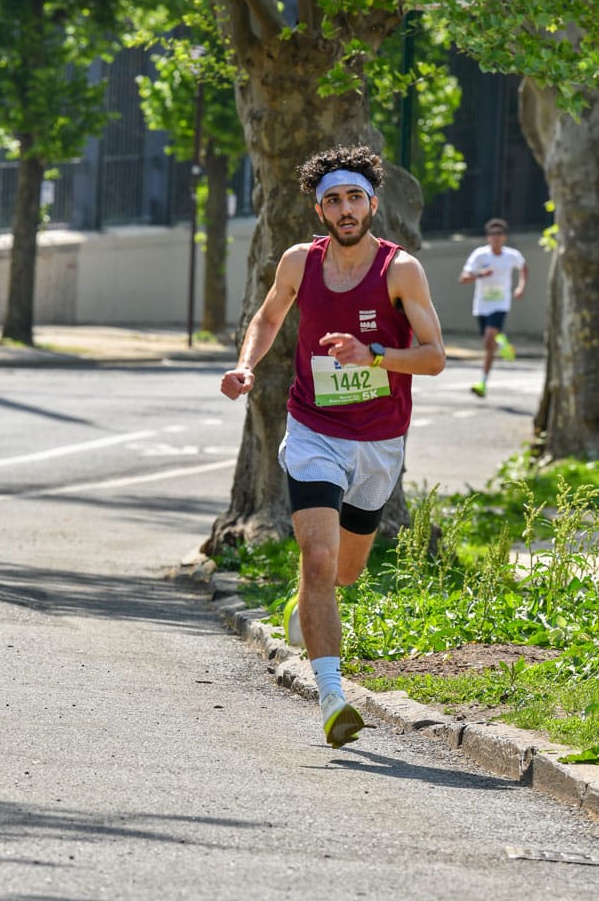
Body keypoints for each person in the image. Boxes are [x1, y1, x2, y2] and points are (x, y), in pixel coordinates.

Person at [220, 145, 445, 749]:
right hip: (315, 427)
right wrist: (245, 366)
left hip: (379, 440)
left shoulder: (401, 270)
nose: (345, 210)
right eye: (332, 201)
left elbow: (435, 358)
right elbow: (268, 319)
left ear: (373, 202)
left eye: (354, 198)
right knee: (317, 558)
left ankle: (306, 604)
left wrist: (374, 355)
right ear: (319, 210)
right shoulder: (299, 262)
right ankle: (332, 697)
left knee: (345, 570)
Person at [459, 218, 527, 398]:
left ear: (504, 237)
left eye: (499, 234)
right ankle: (485, 380)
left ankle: (483, 378)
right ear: (488, 237)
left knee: (489, 336)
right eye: (492, 234)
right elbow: (464, 277)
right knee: (488, 345)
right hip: (482, 305)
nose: (496, 237)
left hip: (500, 304)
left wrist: (520, 286)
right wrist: (480, 274)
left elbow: (523, 267)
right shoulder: (480, 255)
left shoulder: (511, 255)